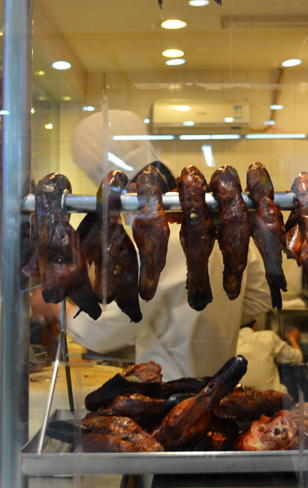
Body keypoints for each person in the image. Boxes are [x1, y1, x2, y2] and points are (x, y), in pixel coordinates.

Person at [67, 109, 273, 380]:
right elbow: (260, 297)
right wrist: (214, 321)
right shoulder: (224, 220)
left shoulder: (155, 235)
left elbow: (103, 333)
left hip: (167, 389)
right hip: (220, 385)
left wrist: (58, 310)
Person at [236, 320, 303, 392]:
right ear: (255, 326)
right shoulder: (268, 337)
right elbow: (298, 358)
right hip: (269, 397)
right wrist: (292, 339)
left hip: (238, 397)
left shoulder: (232, 342)